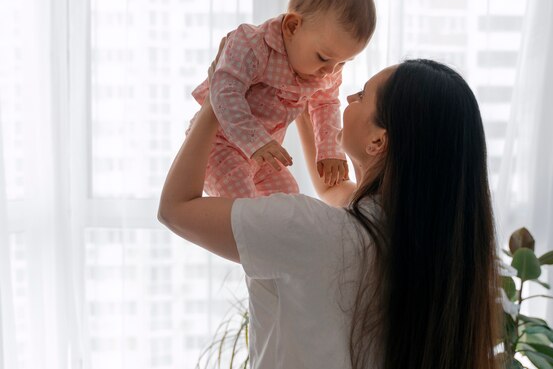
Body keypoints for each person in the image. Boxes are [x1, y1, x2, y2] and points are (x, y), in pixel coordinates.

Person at [159, 59, 501, 369]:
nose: (349, 99)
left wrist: (218, 98)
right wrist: (308, 101)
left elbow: (176, 209)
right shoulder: (431, 245)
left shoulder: (305, 229)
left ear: (379, 142)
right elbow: (333, 191)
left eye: (362, 96)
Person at [188, 0, 376, 198]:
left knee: (288, 199)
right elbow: (225, 92)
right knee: (244, 206)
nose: (330, 70)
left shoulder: (326, 71)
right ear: (292, 27)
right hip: (219, 145)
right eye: (324, 57)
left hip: (265, 154)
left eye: (344, 62)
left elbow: (326, 104)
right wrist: (255, 141)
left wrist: (330, 150)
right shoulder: (252, 44)